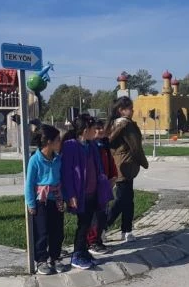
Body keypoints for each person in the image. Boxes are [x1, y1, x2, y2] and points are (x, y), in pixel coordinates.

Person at [62, 114, 114, 269]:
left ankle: (84, 251)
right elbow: (66, 174)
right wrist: (70, 195)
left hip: (93, 192)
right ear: (85, 130)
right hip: (79, 194)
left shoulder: (91, 145)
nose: (97, 131)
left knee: (90, 223)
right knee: (83, 224)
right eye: (93, 129)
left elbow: (98, 167)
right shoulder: (70, 146)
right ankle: (77, 254)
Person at [106, 97, 149, 242]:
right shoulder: (127, 125)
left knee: (126, 199)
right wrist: (144, 162)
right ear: (121, 110)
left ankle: (127, 230)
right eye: (130, 108)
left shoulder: (112, 124)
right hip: (126, 166)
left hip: (117, 165)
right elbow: (135, 147)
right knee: (123, 200)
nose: (133, 111)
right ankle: (103, 226)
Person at [25, 124, 64, 275]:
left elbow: (62, 180)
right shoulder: (35, 160)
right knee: (42, 231)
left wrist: (65, 197)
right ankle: (41, 259)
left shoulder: (58, 159)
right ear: (49, 142)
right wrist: (31, 203)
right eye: (58, 139)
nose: (60, 142)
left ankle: (55, 257)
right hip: (41, 201)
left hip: (56, 199)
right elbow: (29, 184)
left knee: (57, 231)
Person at [87, 118, 117, 255]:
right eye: (96, 128)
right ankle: (92, 242)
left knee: (102, 214)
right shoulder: (91, 147)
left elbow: (111, 163)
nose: (99, 131)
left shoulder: (105, 146)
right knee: (94, 216)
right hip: (94, 186)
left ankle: (98, 240)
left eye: (101, 128)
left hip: (105, 184)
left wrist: (113, 177)